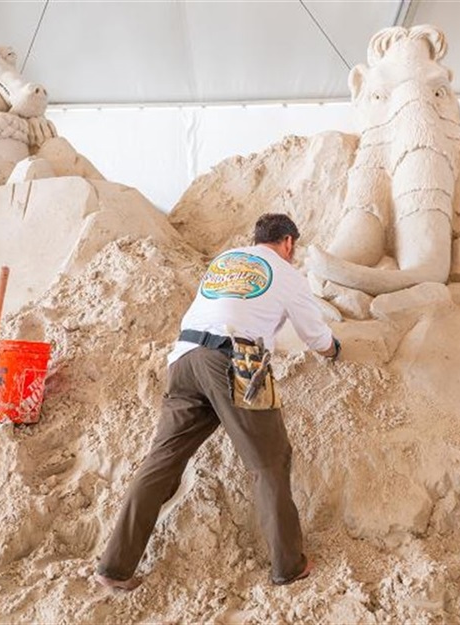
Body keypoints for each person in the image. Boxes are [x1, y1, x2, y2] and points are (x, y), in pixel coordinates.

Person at [94, 213, 340, 591]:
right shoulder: (287, 273)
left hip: (184, 358)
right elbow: (314, 335)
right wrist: (334, 348)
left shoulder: (225, 261)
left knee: (162, 462)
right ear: (288, 243)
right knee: (269, 462)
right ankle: (289, 566)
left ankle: (114, 567)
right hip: (232, 360)